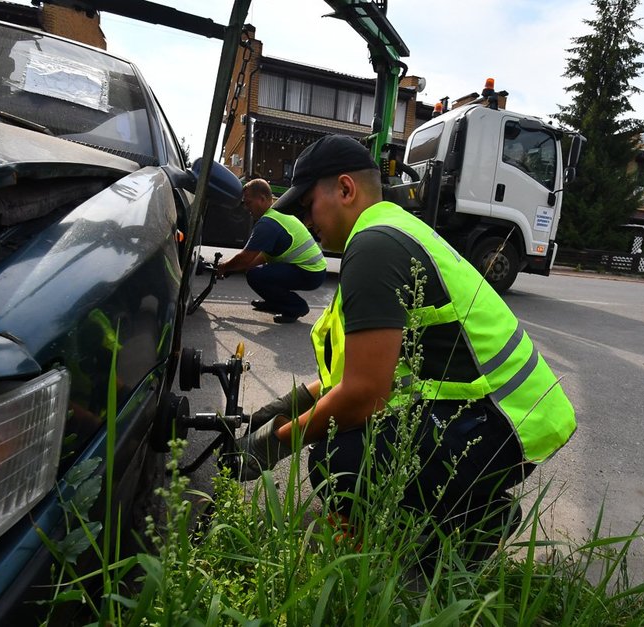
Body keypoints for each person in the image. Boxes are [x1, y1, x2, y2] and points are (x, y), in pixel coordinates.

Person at [233, 135, 577, 558]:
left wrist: (277, 441)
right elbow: (370, 373)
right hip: (509, 417)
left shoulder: (374, 246)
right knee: (358, 445)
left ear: (345, 189)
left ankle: (464, 516)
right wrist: (288, 405)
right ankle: (468, 511)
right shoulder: (392, 229)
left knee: (337, 454)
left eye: (307, 205)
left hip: (498, 423)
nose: (306, 219)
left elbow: (363, 395)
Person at [217, 178, 326, 323]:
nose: (246, 208)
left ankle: (296, 306)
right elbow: (258, 259)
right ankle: (276, 303)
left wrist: (223, 267)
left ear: (262, 199)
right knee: (256, 272)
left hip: (310, 272)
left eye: (248, 202)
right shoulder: (277, 214)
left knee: (255, 276)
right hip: (313, 271)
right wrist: (231, 269)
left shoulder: (268, 223)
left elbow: (246, 257)